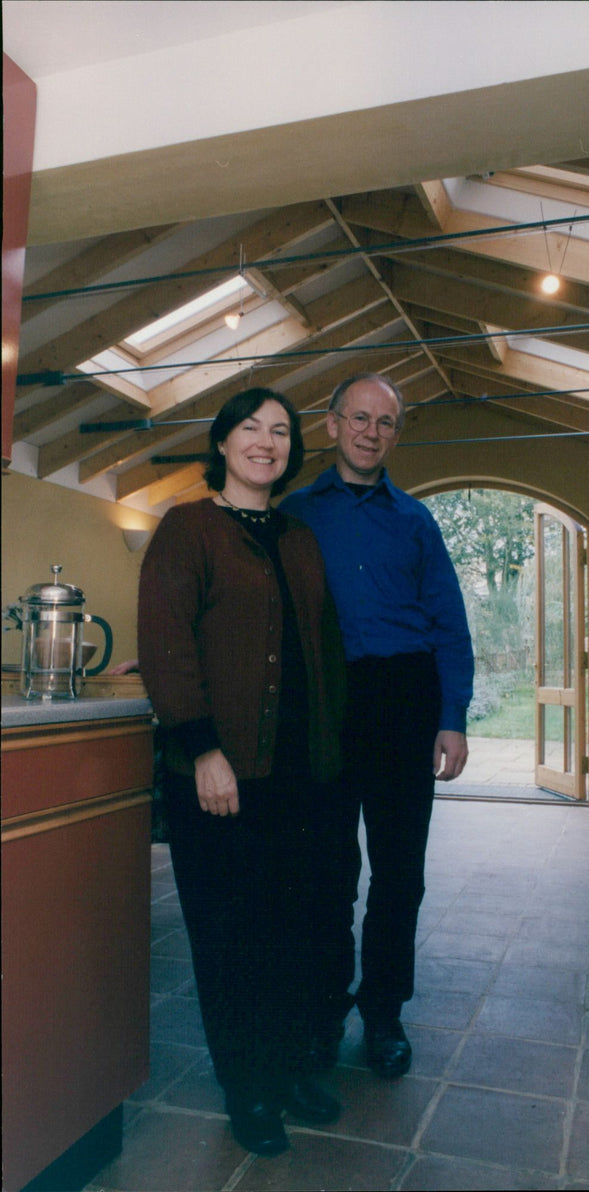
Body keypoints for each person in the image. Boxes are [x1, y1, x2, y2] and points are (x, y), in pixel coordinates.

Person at [137, 387, 348, 1157]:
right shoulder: (187, 529)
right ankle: (248, 1088)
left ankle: (291, 1068)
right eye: (251, 429)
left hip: (300, 777)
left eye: (281, 431)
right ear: (222, 443)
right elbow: (165, 645)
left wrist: (335, 759)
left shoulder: (299, 538)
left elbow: (323, 653)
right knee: (230, 939)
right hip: (219, 777)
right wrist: (202, 751)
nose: (267, 441)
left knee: (295, 930)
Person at [281, 372, 474, 1079]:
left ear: (397, 432)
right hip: (326, 702)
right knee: (326, 872)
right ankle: (323, 1013)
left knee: (400, 873)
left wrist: (451, 719)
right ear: (331, 425)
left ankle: (384, 1013)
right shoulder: (293, 514)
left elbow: (450, 625)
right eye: (358, 418)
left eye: (384, 422)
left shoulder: (416, 521)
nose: (370, 432)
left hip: (404, 699)